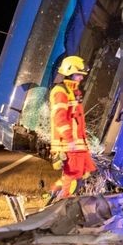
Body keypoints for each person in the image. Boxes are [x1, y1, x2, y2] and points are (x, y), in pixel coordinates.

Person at [47, 55, 96, 201]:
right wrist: (70, 139)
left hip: (78, 144)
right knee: (72, 176)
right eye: (78, 75)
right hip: (69, 144)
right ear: (68, 72)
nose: (81, 78)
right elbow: (59, 118)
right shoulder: (60, 92)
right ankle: (60, 203)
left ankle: (54, 196)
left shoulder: (73, 92)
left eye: (82, 76)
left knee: (86, 171)